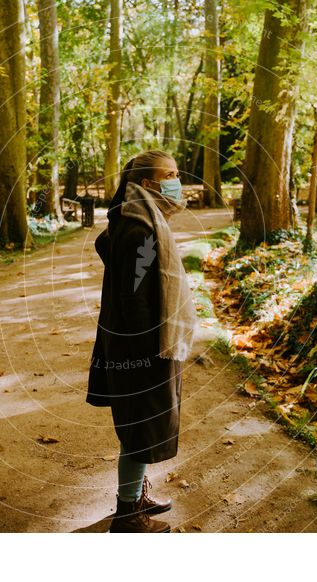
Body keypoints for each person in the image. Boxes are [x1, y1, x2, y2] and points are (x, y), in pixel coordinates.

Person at [87, 149, 199, 533]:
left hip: (140, 344)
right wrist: (146, 353)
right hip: (142, 348)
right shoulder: (140, 229)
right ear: (149, 184)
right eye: (169, 174)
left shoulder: (135, 220)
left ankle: (135, 496)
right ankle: (128, 515)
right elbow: (133, 296)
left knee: (141, 429)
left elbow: (108, 250)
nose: (176, 180)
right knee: (139, 431)